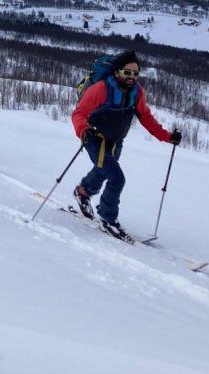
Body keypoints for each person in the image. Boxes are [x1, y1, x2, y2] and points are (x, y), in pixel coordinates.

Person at [70, 50, 181, 240]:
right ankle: (108, 218)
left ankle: (82, 193)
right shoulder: (101, 89)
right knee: (117, 178)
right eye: (127, 72)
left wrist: (168, 136)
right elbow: (79, 113)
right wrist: (84, 130)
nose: (131, 77)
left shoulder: (136, 92)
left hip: (115, 141)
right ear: (116, 72)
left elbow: (146, 118)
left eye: (135, 74)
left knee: (103, 171)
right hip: (95, 138)